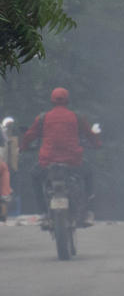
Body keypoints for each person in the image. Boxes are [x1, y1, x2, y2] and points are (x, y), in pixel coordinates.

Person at [23, 87, 92, 220]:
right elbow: (90, 134)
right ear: (67, 100)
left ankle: (43, 211)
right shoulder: (77, 117)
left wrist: (23, 147)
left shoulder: (43, 118)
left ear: (52, 101)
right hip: (73, 161)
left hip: (48, 162)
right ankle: (87, 211)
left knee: (35, 176)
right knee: (88, 174)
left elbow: (29, 136)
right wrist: (98, 144)